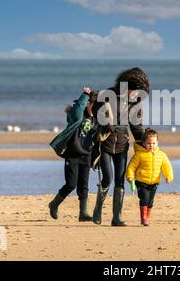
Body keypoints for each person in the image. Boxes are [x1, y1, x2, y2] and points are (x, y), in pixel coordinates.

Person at [91, 67, 150, 226]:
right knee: (107, 178)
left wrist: (144, 143)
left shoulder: (135, 103)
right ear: (126, 85)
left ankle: (116, 217)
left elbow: (136, 127)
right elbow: (96, 113)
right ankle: (97, 210)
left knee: (120, 180)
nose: (137, 95)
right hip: (105, 143)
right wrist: (106, 123)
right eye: (135, 91)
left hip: (122, 144)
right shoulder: (106, 96)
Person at [49, 87, 99, 221]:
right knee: (71, 184)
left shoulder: (96, 120)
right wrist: (85, 95)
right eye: (93, 106)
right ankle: (54, 203)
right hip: (72, 154)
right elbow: (76, 110)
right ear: (87, 104)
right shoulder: (77, 117)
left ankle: (83, 213)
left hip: (86, 155)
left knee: (84, 185)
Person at [126, 128, 173, 226]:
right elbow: (131, 166)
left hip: (154, 182)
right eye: (148, 143)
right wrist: (130, 177)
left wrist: (168, 176)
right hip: (141, 181)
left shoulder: (161, 155)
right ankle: (143, 218)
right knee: (144, 199)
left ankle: (147, 217)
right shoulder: (139, 154)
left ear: (157, 143)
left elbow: (166, 166)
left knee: (150, 202)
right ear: (144, 143)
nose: (151, 145)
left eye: (153, 143)